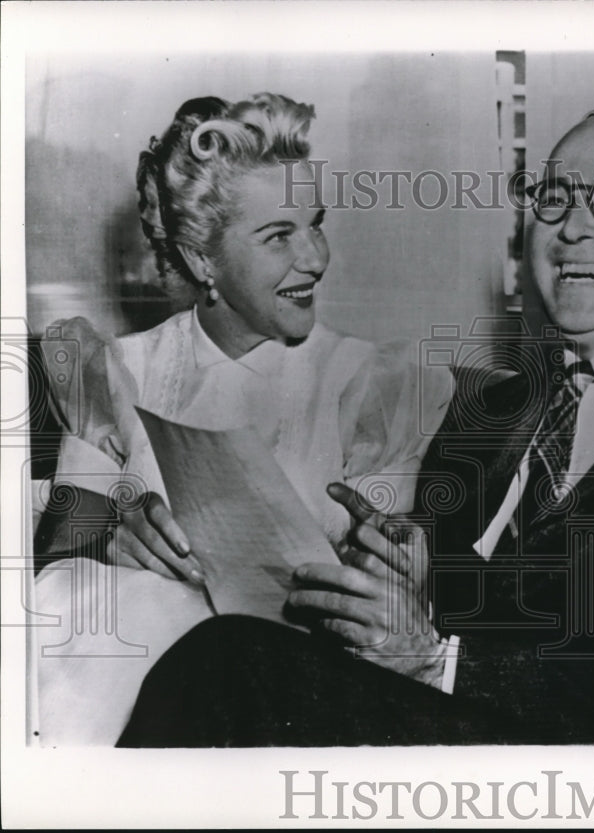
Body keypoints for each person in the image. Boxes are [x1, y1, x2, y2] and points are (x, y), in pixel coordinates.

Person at [117, 108, 594, 746]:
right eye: (553, 199)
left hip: (583, 779)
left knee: (228, 663)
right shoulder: (487, 416)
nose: (574, 227)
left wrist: (442, 660)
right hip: (427, 731)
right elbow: (421, 604)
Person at [33, 93, 451, 745]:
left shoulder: (375, 386)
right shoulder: (114, 371)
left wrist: (395, 565)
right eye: (279, 235)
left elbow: (385, 588)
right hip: (118, 681)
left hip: (277, 700)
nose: (315, 257)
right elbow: (57, 566)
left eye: (316, 223)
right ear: (205, 260)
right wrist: (113, 537)